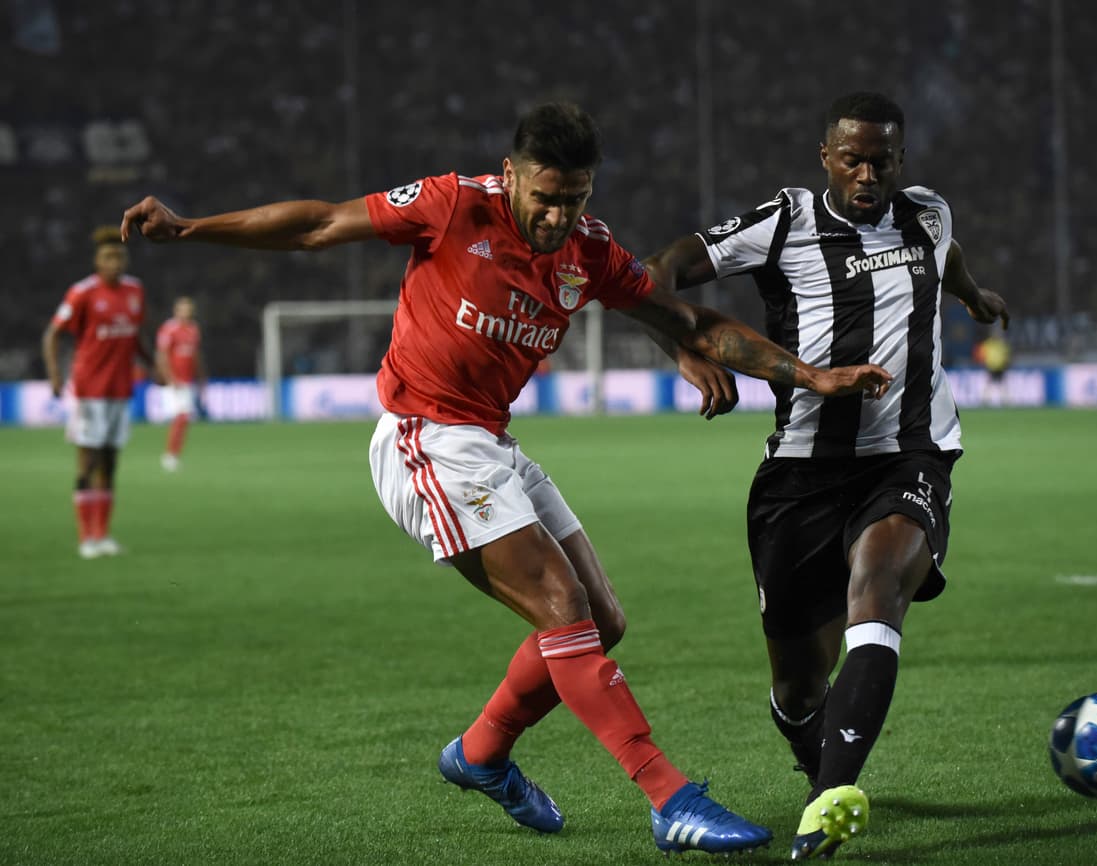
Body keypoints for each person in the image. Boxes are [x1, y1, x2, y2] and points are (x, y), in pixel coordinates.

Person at [120, 102, 894, 855]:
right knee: (563, 609)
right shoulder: (453, 205)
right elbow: (321, 223)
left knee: (601, 620)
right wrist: (189, 229)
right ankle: (670, 799)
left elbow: (685, 320)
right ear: (511, 176)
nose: (558, 217)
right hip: (423, 435)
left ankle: (482, 752)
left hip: (488, 440)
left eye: (576, 200)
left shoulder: (589, 251)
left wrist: (807, 376)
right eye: (546, 199)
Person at [643, 92, 1009, 859]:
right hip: (800, 480)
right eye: (854, 159)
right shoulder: (786, 222)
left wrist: (972, 295)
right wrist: (683, 345)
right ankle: (817, 757)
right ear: (826, 158)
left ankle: (832, 795)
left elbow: (949, 254)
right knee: (799, 687)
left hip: (910, 455)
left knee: (880, 588)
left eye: (883, 160)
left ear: (902, 163)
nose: (868, 173)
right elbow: (663, 268)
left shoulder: (927, 214)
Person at [42, 226, 154, 559]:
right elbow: (52, 334)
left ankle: (103, 535)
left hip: (121, 390)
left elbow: (135, 337)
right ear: (96, 261)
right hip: (89, 390)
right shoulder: (82, 293)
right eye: (108, 256)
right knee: (87, 462)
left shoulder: (136, 291)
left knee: (110, 463)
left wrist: (153, 365)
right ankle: (86, 537)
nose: (115, 262)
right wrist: (55, 374)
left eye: (120, 256)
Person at [155, 296, 206, 470]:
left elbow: (195, 356)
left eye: (189, 310)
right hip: (174, 381)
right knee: (181, 416)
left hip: (187, 380)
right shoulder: (169, 329)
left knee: (184, 419)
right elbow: (162, 355)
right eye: (183, 309)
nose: (186, 313)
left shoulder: (193, 329)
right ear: (176, 311)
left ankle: (174, 454)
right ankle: (170, 456)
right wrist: (170, 378)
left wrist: (201, 377)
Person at [973, 328, 1012, 406]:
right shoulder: (988, 344)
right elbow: (981, 355)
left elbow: (1007, 355)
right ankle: (985, 400)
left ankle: (1005, 400)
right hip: (990, 367)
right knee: (989, 384)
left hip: (1000, 367)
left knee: (1002, 384)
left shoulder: (1001, 344)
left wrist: (1006, 363)